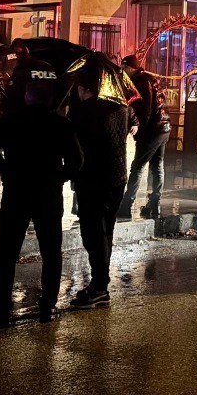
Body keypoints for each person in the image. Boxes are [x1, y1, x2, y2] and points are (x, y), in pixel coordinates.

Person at [0, 64, 82, 326]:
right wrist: (59, 176)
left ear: (27, 96)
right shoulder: (60, 124)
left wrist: (4, 168)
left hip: (16, 193)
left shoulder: (10, 121)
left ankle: (1, 307)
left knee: (7, 253)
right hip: (47, 195)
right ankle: (47, 307)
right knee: (51, 252)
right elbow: (77, 160)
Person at [69, 72, 135, 309]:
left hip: (94, 179)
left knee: (93, 232)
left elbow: (77, 145)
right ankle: (101, 284)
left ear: (85, 89)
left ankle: (98, 287)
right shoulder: (121, 108)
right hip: (117, 178)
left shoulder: (87, 111)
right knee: (106, 230)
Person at [119, 54, 171, 221]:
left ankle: (127, 205)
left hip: (153, 129)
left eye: (124, 68)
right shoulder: (149, 78)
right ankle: (154, 203)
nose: (122, 71)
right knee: (157, 164)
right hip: (164, 127)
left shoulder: (140, 82)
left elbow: (147, 108)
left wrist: (141, 129)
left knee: (138, 166)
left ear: (130, 68)